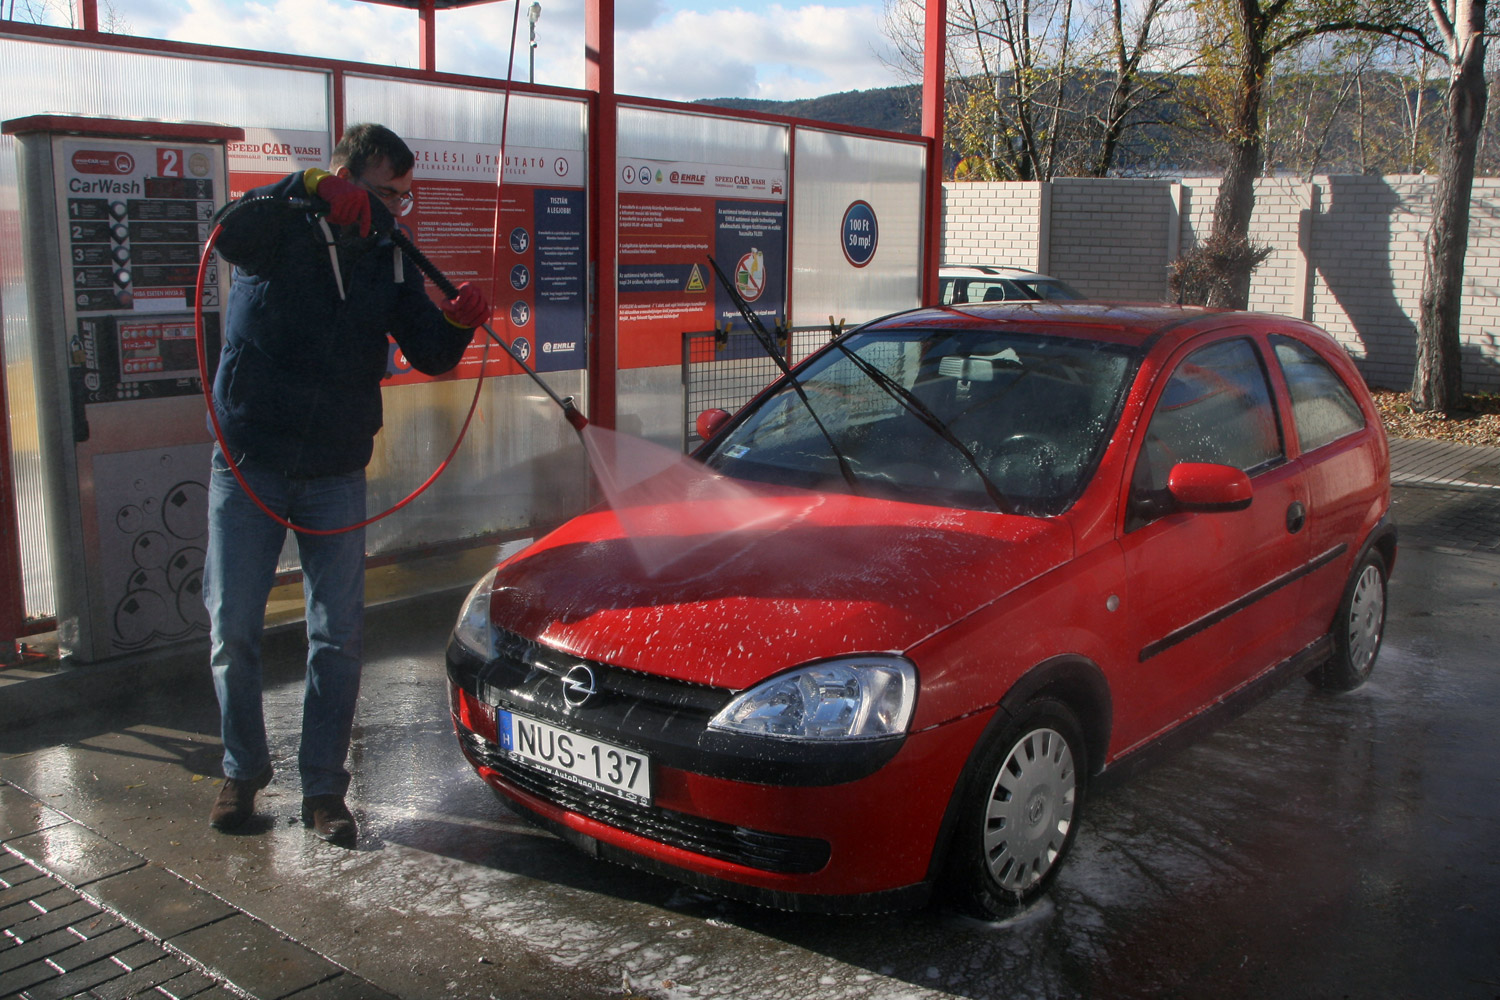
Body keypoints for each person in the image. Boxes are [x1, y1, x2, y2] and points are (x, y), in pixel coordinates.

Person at [203, 123, 489, 847]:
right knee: (233, 625)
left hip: (334, 467)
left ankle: (324, 789)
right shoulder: (280, 226)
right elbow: (225, 233)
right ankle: (242, 772)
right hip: (250, 460)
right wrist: (299, 188)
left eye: (404, 196)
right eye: (388, 191)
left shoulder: (386, 256)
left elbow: (427, 350)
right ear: (345, 177)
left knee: (339, 636)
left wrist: (457, 326)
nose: (398, 207)